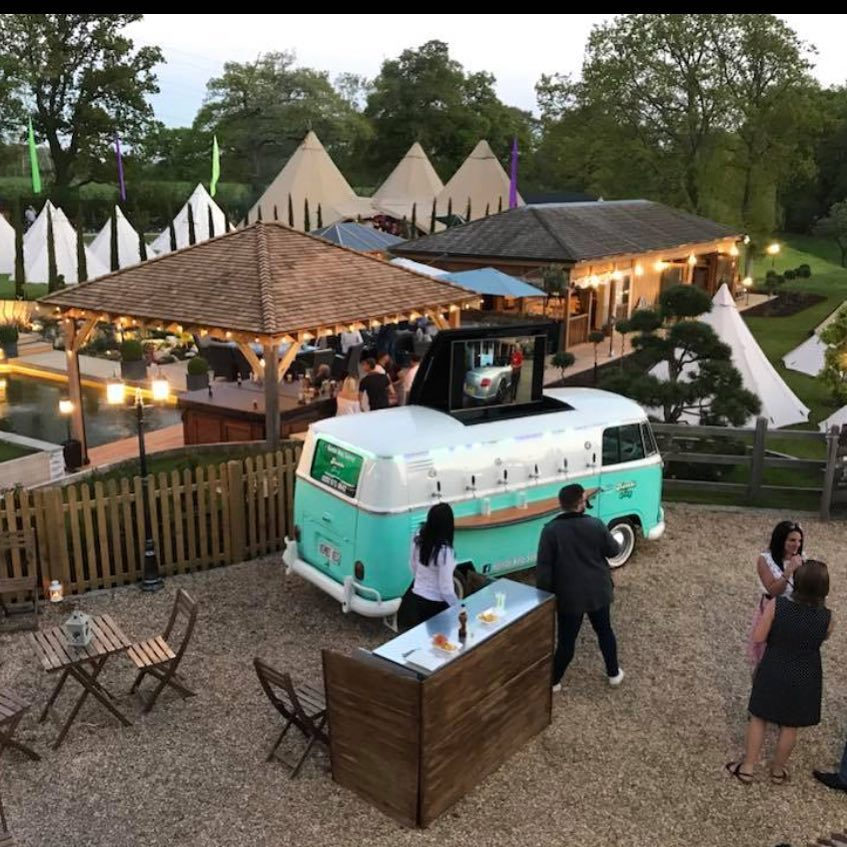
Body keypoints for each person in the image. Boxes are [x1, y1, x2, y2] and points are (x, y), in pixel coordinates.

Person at [727, 560, 833, 785]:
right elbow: (821, 638)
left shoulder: (778, 606)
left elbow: (759, 637)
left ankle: (748, 767)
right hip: (805, 672)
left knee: (759, 717)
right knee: (790, 724)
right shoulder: (828, 618)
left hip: (774, 665)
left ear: (798, 581)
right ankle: (777, 770)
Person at [536, 483, 623, 692]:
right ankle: (613, 674)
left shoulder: (550, 531)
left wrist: (544, 597)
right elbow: (613, 551)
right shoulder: (595, 525)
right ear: (581, 502)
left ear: (561, 504)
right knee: (605, 632)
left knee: (566, 642)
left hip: (569, 596)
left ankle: (554, 681)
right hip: (598, 590)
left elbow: (544, 568)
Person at [746, 521, 804, 668]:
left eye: (799, 541)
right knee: (766, 657)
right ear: (781, 540)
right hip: (772, 611)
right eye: (792, 540)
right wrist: (789, 571)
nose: (797, 545)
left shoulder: (801, 558)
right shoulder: (765, 559)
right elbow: (773, 590)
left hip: (794, 612)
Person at [397, 502, 458, 630]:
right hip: (433, 607)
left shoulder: (418, 539)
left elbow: (412, 565)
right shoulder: (445, 551)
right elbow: (445, 588)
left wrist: (422, 580)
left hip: (412, 602)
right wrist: (457, 606)